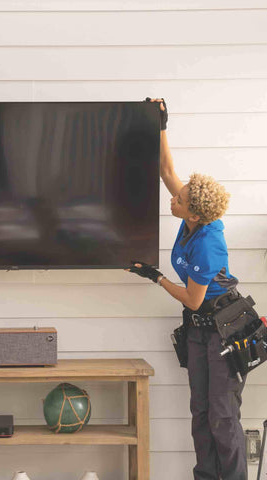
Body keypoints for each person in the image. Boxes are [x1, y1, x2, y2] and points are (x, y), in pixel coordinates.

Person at [128, 99, 246, 480]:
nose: (172, 198)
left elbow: (194, 297)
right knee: (200, 412)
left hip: (226, 329)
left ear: (194, 213)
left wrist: (156, 277)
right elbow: (167, 170)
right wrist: (161, 123)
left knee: (223, 416)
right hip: (199, 328)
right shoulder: (193, 210)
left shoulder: (209, 243)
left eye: (178, 200)